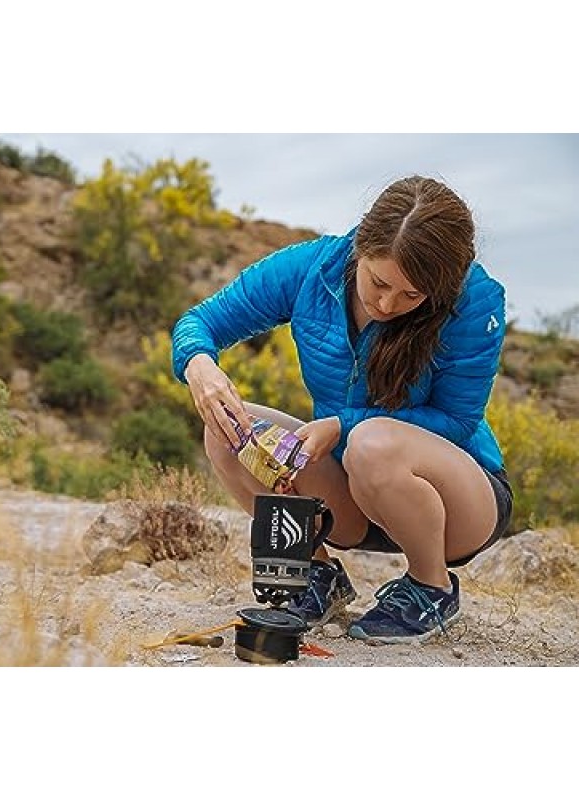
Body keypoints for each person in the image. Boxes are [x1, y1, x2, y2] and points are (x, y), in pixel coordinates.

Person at [171, 175, 513, 644]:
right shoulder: (313, 268)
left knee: (372, 443)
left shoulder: (473, 301)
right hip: (351, 496)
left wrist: (343, 425)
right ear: (361, 247)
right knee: (227, 430)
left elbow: (456, 422)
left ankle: (431, 587)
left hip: (457, 503)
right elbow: (201, 321)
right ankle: (317, 575)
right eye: (379, 282)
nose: (388, 304)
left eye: (413, 296)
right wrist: (200, 366)